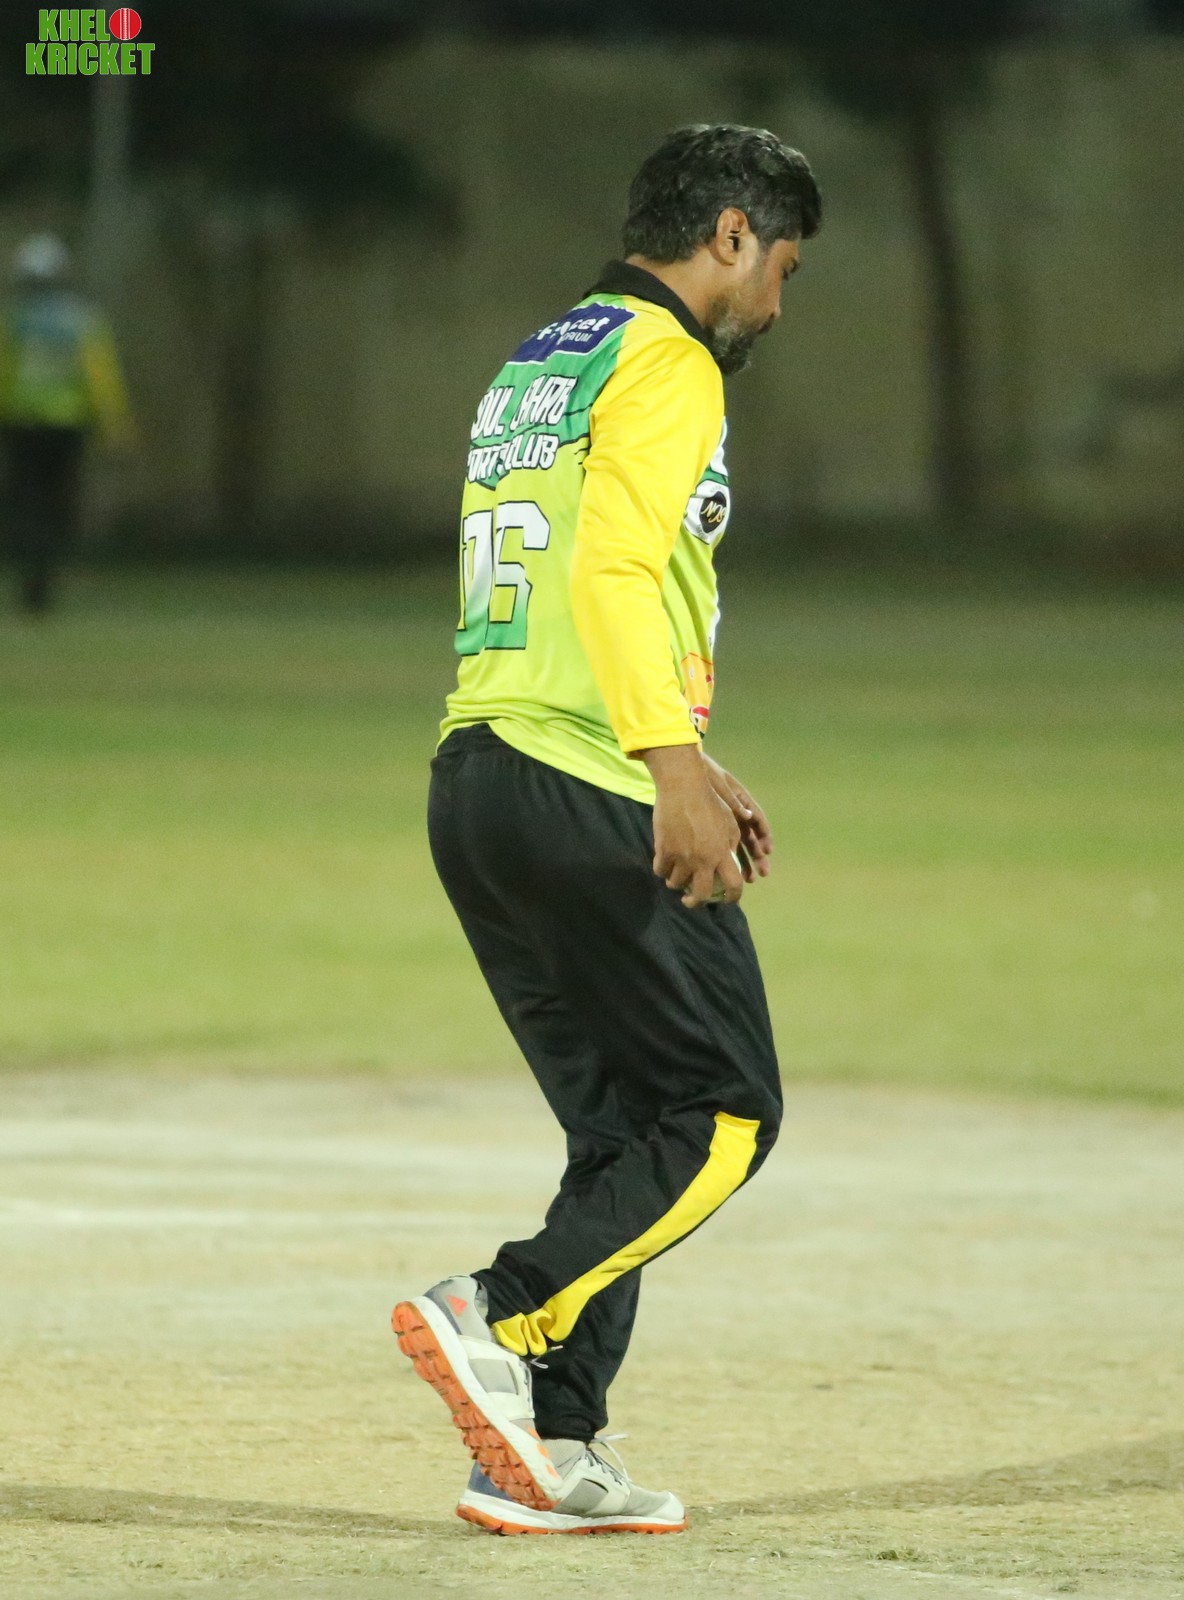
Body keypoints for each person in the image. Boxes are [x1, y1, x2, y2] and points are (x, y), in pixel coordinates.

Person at [393, 124, 822, 1536]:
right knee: (724, 1113)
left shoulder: (545, 357)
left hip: (481, 777)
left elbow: (580, 576)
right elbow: (620, 563)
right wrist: (666, 763)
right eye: (782, 267)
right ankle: (497, 1309)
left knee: (621, 1129)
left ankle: (547, 1443)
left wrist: (686, 745)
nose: (776, 303)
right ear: (731, 236)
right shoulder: (667, 359)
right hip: (586, 784)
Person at [0, 234, 133, 614]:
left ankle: (31, 576)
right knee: (58, 503)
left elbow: (4, 374)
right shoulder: (82, 321)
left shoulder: (15, 321)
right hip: (68, 427)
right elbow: (101, 379)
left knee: (25, 502)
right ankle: (46, 578)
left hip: (22, 425)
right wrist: (115, 427)